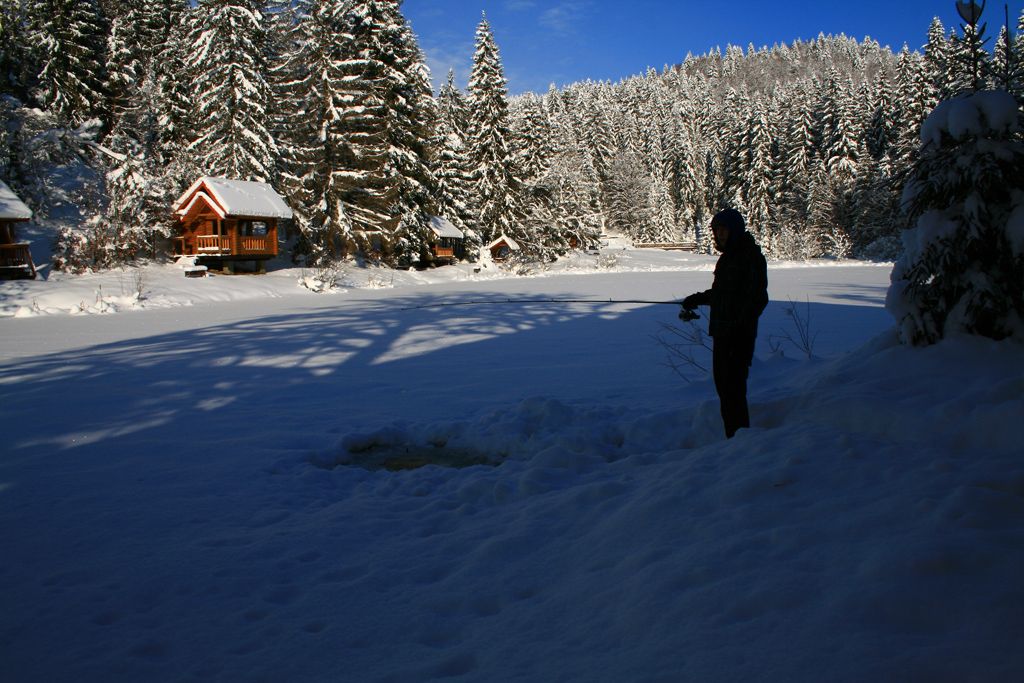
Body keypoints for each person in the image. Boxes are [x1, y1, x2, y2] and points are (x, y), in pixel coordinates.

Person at [680, 208, 768, 438]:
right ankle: (735, 437)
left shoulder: (749, 256)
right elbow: (724, 293)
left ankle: (740, 438)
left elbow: (758, 299)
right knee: (725, 389)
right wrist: (699, 299)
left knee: (733, 390)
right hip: (722, 333)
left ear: (735, 230)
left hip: (738, 336)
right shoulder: (728, 257)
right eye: (716, 230)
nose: (719, 234)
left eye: (723, 229)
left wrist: (740, 326)